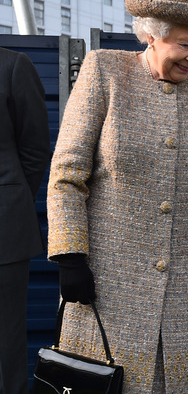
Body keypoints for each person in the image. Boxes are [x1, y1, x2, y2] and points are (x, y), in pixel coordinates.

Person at [47, 0, 188, 393]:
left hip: (187, 287)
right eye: (185, 44)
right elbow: (67, 175)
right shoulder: (105, 70)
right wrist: (70, 255)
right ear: (151, 34)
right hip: (106, 282)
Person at [0, 47, 49, 394]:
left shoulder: (13, 66)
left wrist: (11, 202)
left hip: (3, 230)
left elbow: (35, 149)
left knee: (5, 343)